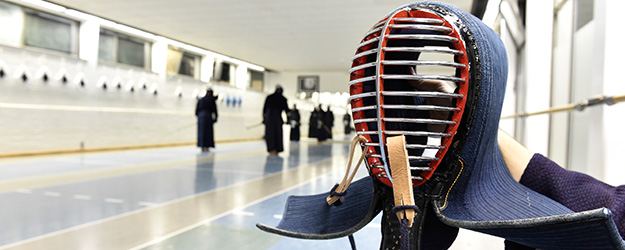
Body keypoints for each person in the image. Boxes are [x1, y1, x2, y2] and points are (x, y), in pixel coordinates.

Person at [263, 85, 289, 155]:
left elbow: (264, 110)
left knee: (269, 134)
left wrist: (264, 119)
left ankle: (271, 149)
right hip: (277, 118)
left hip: (269, 118)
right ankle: (277, 148)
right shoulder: (283, 99)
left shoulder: (269, 97)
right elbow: (287, 112)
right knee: (277, 134)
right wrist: (287, 120)